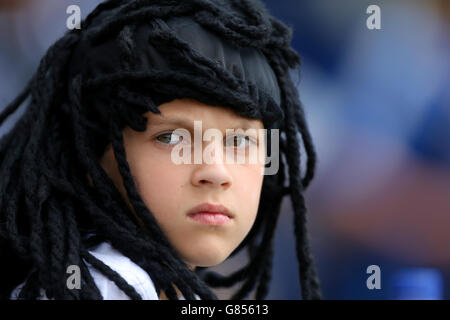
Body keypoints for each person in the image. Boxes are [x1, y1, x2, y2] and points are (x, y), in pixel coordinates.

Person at [0, 0, 321, 300]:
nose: (215, 172)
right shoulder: (107, 286)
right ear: (93, 156)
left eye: (239, 142)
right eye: (172, 138)